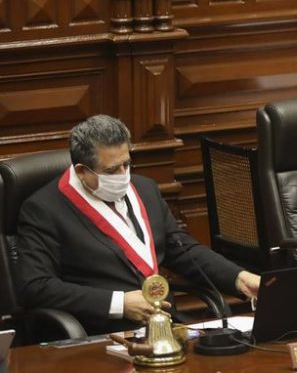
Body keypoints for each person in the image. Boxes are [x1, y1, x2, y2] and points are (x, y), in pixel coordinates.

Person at [17, 115, 260, 334]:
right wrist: (118, 304)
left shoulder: (145, 189)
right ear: (81, 171)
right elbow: (36, 287)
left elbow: (181, 249)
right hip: (101, 333)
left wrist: (238, 277)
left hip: (165, 326)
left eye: (127, 164)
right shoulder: (44, 209)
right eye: (112, 170)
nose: (123, 175)